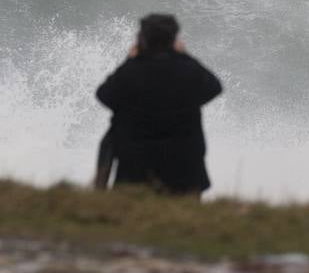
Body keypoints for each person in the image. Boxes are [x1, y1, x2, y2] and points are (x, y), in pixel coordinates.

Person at [94, 13, 223, 195]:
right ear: (173, 40)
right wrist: (184, 55)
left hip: (135, 173)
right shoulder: (187, 70)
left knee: (113, 130)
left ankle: (99, 190)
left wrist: (131, 60)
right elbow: (214, 87)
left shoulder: (132, 71)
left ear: (143, 39)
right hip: (184, 173)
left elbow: (104, 95)